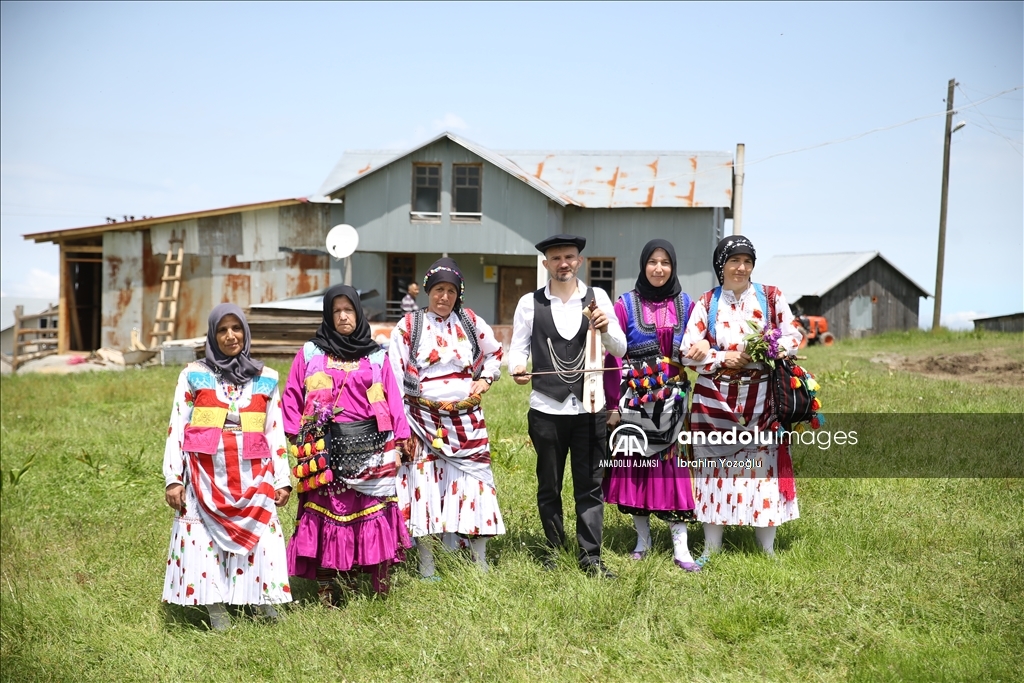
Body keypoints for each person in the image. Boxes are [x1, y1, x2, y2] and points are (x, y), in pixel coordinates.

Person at [162, 304, 292, 630]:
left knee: (262, 537)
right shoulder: (193, 375)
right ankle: (217, 613)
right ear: (212, 334)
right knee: (203, 544)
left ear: (246, 333)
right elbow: (178, 425)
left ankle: (265, 605)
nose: (230, 336)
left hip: (254, 477)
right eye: (222, 329)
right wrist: (173, 478)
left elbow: (273, 430)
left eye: (236, 328)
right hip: (204, 478)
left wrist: (282, 478)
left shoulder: (266, 378)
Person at [282, 285, 410, 603]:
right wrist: (294, 433)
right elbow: (293, 396)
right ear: (328, 314)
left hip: (371, 446)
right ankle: (329, 588)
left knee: (370, 514)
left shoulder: (376, 355)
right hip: (324, 449)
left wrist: (400, 439)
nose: (343, 315)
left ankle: (364, 586)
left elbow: (392, 397)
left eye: (348, 309)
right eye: (336, 310)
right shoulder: (311, 353)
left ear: (358, 313)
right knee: (326, 516)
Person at [680, 235, 803, 565]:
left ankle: (766, 549)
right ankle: (711, 548)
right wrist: (721, 357)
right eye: (734, 261)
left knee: (762, 470)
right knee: (713, 471)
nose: (741, 267)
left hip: (762, 397)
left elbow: (793, 336)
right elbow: (686, 352)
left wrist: (757, 353)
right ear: (721, 265)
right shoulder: (706, 303)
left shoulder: (771, 297)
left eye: (747, 261)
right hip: (714, 402)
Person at [509, 234, 626, 578]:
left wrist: (605, 330)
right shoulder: (529, 304)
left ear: (579, 262)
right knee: (549, 485)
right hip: (546, 409)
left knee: (590, 487)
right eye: (556, 258)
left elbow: (619, 350)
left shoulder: (599, 298)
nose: (563, 263)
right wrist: (517, 367)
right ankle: (553, 551)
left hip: (590, 410)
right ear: (545, 264)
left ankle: (591, 558)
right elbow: (517, 349)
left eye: (570, 257)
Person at [389, 258, 505, 578]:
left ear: (458, 294)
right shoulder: (409, 326)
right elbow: (395, 376)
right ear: (428, 291)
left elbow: (495, 352)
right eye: (438, 289)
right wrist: (401, 428)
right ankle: (427, 567)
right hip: (422, 420)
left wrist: (486, 378)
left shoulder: (468, 321)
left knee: (475, 485)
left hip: (467, 421)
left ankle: (478, 561)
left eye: (451, 291)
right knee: (424, 488)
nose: (444, 297)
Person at [603, 240, 710, 572]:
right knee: (638, 466)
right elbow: (611, 354)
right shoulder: (624, 304)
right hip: (635, 398)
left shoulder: (688, 304)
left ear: (673, 266)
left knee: (673, 469)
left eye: (665, 262)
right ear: (643, 265)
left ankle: (681, 545)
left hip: (674, 398)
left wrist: (704, 345)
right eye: (653, 262)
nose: (659, 268)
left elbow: (703, 342)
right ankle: (642, 540)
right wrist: (611, 405)